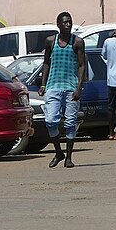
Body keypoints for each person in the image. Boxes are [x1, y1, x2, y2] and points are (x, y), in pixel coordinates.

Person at [38, 12, 87, 170]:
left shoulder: (77, 42)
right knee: (50, 120)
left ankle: (69, 157)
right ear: (58, 24)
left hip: (71, 88)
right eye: (65, 22)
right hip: (53, 86)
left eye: (70, 22)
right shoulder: (50, 41)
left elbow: (82, 65)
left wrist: (79, 87)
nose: (68, 25)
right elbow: (46, 63)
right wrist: (43, 85)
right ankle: (58, 153)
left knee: (70, 123)